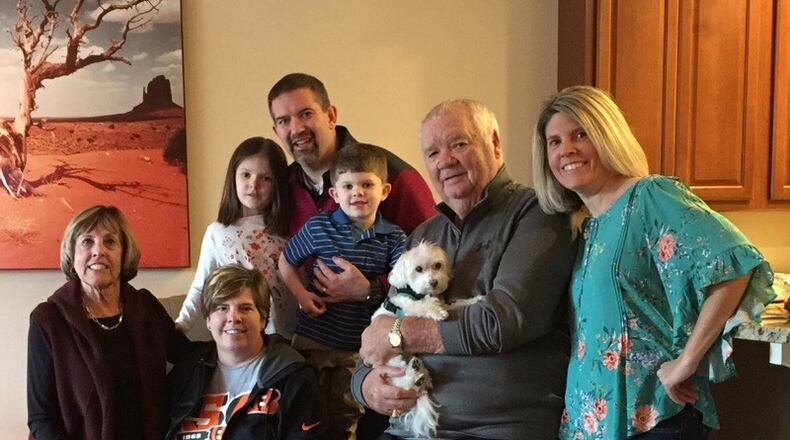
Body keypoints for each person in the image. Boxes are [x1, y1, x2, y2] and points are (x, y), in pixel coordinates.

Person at [531, 85, 776, 439]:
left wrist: (686, 362)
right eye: (555, 141)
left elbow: (735, 263)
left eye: (580, 134)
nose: (566, 149)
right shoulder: (588, 227)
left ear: (607, 137)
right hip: (595, 424)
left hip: (657, 418)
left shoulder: (650, 197)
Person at [351, 99, 578, 439]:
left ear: (495, 144)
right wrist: (365, 385)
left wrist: (399, 334)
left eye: (459, 144)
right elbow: (380, 330)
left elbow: (504, 320)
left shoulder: (538, 213)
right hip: (410, 429)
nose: (445, 161)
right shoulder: (423, 235)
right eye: (432, 153)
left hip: (496, 429)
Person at [268, 73, 435, 308]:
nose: (296, 128)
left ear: (331, 116)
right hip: (310, 326)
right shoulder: (282, 187)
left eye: (306, 114)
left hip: (385, 326)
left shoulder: (394, 177)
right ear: (276, 131)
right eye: (284, 121)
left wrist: (372, 289)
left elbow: (434, 264)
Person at [27, 205, 190, 440]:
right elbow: (40, 418)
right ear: (72, 254)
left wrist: (235, 341)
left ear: (124, 254)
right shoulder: (48, 320)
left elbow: (190, 358)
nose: (98, 251)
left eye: (110, 242)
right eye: (87, 242)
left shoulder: (145, 308)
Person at [279, 143, 406, 439]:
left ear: (385, 191)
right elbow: (286, 260)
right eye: (348, 186)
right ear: (335, 194)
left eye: (367, 185)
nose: (357, 192)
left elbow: (402, 287)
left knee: (345, 416)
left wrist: (370, 289)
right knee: (304, 413)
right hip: (312, 340)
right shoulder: (318, 228)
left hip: (357, 351)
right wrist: (301, 295)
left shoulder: (394, 238)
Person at [167, 264, 325, 439]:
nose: (234, 317)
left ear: (263, 319)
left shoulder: (294, 377)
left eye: (245, 308)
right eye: (222, 308)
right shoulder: (187, 371)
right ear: (208, 321)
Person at [176, 137, 298, 340]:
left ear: (278, 184)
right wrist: (182, 324)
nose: (254, 185)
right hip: (242, 336)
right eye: (246, 175)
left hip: (287, 336)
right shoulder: (218, 232)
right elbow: (201, 286)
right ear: (233, 177)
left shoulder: (288, 230)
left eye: (266, 178)